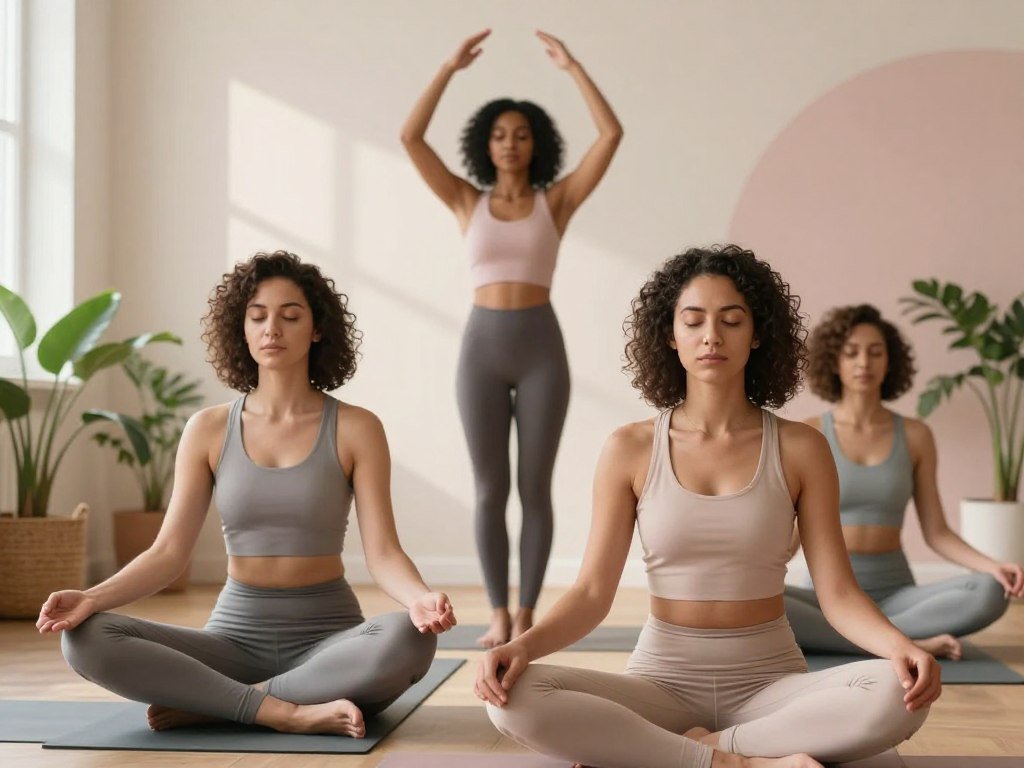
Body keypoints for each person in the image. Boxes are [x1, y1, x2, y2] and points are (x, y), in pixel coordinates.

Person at [475, 246, 939, 768]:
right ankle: (740, 761)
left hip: (772, 686)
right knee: (511, 696)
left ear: (758, 334)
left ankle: (682, 752)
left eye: (732, 321)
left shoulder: (801, 448)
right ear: (670, 336)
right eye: (693, 321)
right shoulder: (629, 448)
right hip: (659, 685)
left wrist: (901, 647)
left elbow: (837, 593)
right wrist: (521, 647)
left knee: (895, 690)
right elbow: (591, 593)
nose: (712, 336)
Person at [37, 251, 456, 737]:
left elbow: (383, 553)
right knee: (84, 637)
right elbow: (168, 554)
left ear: (317, 329)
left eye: (290, 316)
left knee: (409, 637)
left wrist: (420, 599)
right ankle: (284, 710)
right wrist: (90, 597)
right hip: (231, 644)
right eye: (257, 316)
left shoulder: (357, 427)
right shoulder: (208, 429)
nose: (271, 329)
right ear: (242, 329)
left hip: (329, 645)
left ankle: (221, 703)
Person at [401, 29, 623, 647]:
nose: (510, 143)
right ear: (485, 143)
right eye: (499, 134)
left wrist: (573, 66)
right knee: (489, 489)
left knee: (534, 489)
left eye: (521, 134)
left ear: (536, 143)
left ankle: (527, 614)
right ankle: (498, 614)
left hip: (540, 348)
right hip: (482, 349)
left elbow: (610, 136)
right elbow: (411, 138)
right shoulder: (464, 199)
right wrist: (448, 67)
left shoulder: (558, 201)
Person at [785, 303, 1023, 658]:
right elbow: (792, 533)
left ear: (890, 361)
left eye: (875, 352)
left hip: (898, 594)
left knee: (990, 590)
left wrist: (994, 567)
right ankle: (907, 642)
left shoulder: (915, 435)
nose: (864, 362)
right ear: (833, 362)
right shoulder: (810, 433)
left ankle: (872, 638)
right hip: (829, 595)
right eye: (851, 353)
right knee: (766, 600)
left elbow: (936, 532)